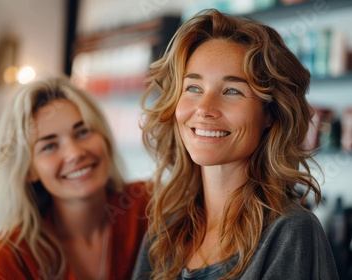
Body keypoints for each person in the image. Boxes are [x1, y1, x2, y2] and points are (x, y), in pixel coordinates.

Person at [133, 9, 339, 280]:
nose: (204, 109)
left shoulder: (290, 232)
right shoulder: (164, 233)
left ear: (270, 113)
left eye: (232, 91)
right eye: (193, 88)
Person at [0, 77, 149, 279]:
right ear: (29, 170)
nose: (74, 153)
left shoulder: (150, 206)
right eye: (49, 146)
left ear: (105, 138)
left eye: (83, 132)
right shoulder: (7, 257)